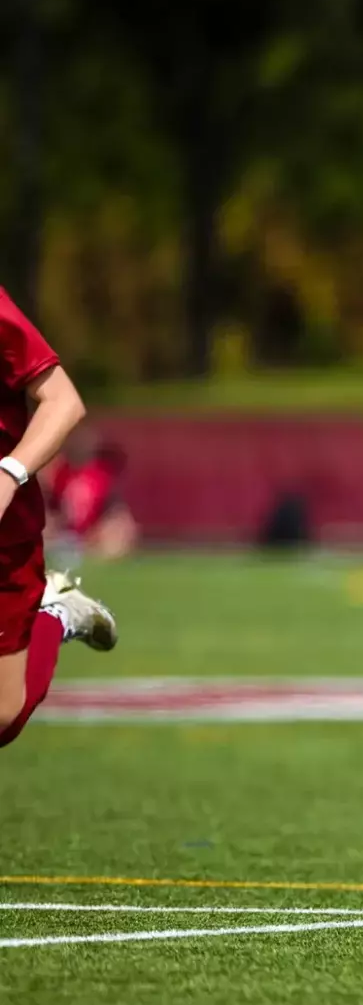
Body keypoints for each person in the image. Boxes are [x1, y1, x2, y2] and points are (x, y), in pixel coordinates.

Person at [0, 288, 120, 751]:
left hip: (6, 536)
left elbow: (63, 401)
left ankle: (55, 611)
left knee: (4, 717)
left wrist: (9, 474)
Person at [45, 425, 139, 567]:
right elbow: (51, 506)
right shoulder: (59, 472)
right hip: (63, 533)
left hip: (93, 533)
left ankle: (89, 556)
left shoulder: (101, 475)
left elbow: (114, 509)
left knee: (118, 533)